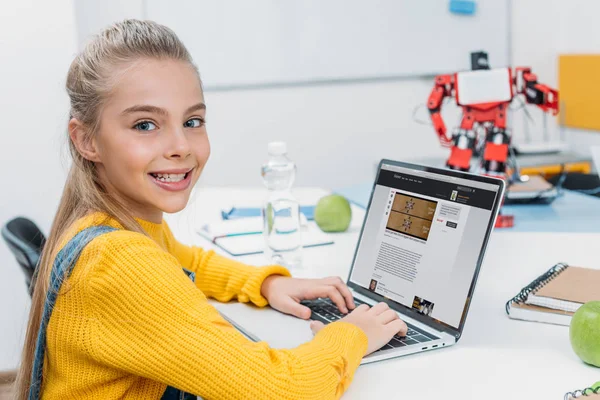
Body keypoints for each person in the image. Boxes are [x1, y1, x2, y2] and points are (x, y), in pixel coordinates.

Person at [14, 19, 407, 400]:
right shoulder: (117, 262)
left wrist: (266, 284)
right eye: (145, 125)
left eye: (193, 120)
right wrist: (354, 332)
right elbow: (283, 389)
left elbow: (188, 262)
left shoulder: (116, 226)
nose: (180, 145)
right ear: (87, 140)